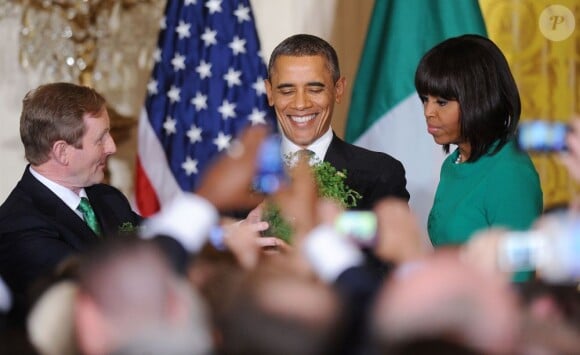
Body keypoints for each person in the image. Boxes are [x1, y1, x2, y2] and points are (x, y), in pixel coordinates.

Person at [0, 82, 142, 321]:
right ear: (62, 152)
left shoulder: (108, 198)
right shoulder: (17, 225)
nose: (112, 147)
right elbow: (90, 285)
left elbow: (150, 233)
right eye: (101, 138)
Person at [414, 34, 543, 248]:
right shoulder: (453, 164)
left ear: (479, 99)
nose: (428, 112)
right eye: (425, 99)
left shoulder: (510, 172)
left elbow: (519, 274)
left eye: (442, 102)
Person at [265, 34, 409, 210]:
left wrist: (335, 226)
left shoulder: (380, 172)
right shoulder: (243, 176)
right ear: (270, 93)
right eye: (287, 91)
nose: (301, 104)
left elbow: (391, 234)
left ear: (338, 90)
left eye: (315, 89)